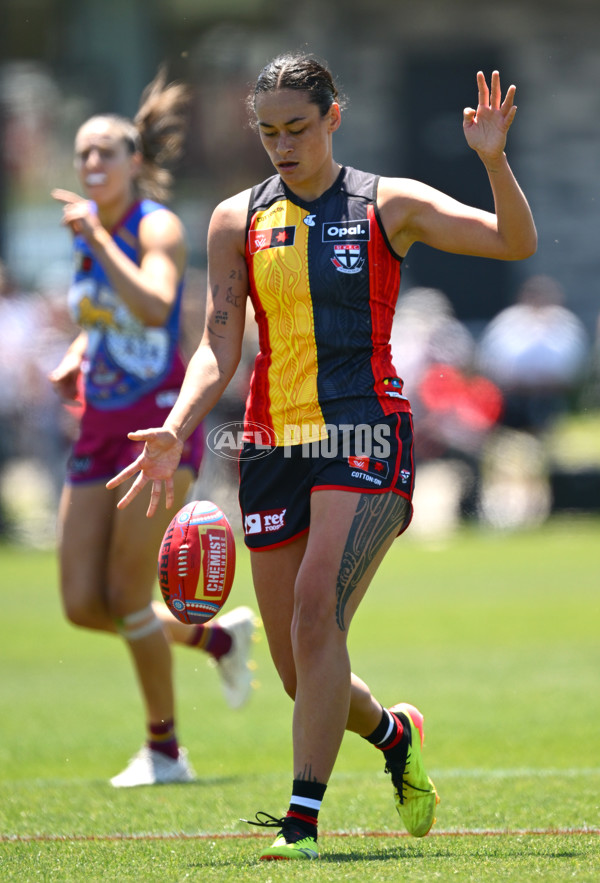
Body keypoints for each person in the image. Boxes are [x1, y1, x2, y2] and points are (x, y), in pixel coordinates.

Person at [107, 54, 536, 855]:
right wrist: (177, 423)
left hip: (365, 433)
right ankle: (393, 734)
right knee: (303, 669)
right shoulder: (237, 219)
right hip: (271, 445)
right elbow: (217, 342)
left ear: (333, 116)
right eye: (267, 131)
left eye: (297, 128)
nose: (281, 145)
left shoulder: (388, 203)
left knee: (315, 612)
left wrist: (493, 161)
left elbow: (514, 241)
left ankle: (300, 821)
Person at [49, 68, 257, 789]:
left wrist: (99, 242)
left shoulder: (150, 226)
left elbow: (153, 304)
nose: (93, 166)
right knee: (83, 604)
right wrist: (77, 354)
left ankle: (166, 751)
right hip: (98, 427)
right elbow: (105, 318)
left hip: (157, 433)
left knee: (128, 598)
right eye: (83, 155)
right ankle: (215, 635)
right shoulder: (90, 232)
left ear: (135, 162)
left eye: (106, 153)